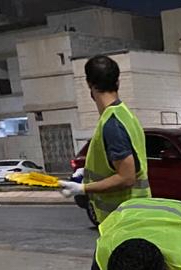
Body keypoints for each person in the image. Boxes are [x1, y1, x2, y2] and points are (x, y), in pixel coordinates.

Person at [58, 54, 150, 222]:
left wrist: (82, 188)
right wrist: (86, 173)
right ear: (118, 82)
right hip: (132, 216)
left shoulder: (112, 124)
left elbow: (127, 177)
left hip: (124, 220)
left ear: (89, 84)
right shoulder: (124, 114)